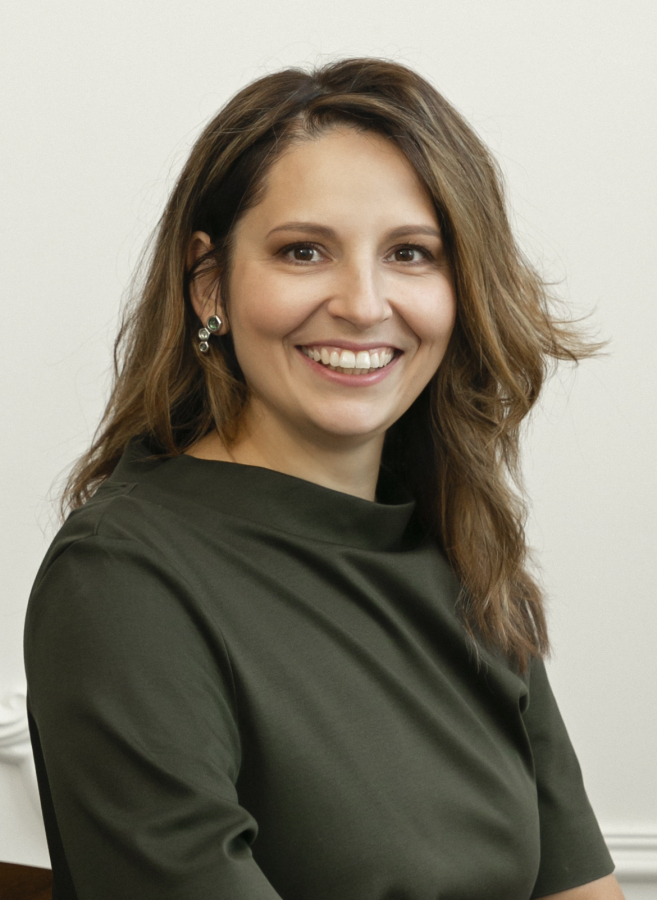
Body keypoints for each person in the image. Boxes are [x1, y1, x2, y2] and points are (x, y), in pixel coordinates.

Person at [24, 58, 624, 900]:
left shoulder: (463, 554)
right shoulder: (122, 580)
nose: (363, 303)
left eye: (411, 253)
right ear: (209, 284)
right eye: (303, 251)